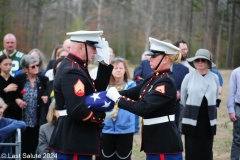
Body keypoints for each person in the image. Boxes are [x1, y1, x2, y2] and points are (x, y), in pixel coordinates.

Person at [106, 37, 183, 160]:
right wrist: (108, 94)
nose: (149, 58)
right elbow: (133, 92)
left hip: (163, 144)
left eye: (153, 56)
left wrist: (117, 99)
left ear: (165, 59)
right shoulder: (153, 77)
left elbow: (143, 107)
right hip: (153, 142)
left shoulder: (165, 82)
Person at [49, 30, 115, 160]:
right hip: (74, 137)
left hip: (76, 137)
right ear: (81, 47)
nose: (95, 52)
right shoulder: (73, 71)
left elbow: (96, 91)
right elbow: (77, 110)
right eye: (93, 47)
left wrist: (104, 64)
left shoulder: (77, 67)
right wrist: (101, 116)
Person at [181, 49, 219, 160]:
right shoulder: (188, 77)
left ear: (208, 62)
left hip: (208, 119)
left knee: (206, 150)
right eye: (198, 60)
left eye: (203, 60)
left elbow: (215, 95)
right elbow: (183, 98)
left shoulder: (215, 78)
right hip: (192, 117)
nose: (200, 62)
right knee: (191, 149)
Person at [101, 57, 136, 160]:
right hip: (107, 128)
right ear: (111, 70)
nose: (118, 70)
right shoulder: (104, 85)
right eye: (115, 68)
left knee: (123, 157)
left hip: (125, 129)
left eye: (121, 68)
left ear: (125, 70)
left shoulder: (132, 86)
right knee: (107, 157)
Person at [15, 55, 49, 159]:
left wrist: (46, 97)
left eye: (37, 65)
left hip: (37, 121)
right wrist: (17, 99)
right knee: (22, 149)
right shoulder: (19, 79)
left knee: (34, 149)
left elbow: (47, 94)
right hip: (22, 120)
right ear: (25, 69)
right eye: (33, 66)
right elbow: (14, 95)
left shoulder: (43, 80)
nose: (36, 68)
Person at [174, 40, 194, 132]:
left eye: (186, 49)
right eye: (183, 49)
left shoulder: (191, 66)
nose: (185, 51)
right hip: (172, 101)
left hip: (184, 101)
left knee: (180, 128)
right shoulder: (171, 64)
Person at [0, 54, 26, 120]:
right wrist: (6, 90)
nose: (8, 67)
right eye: (5, 64)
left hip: (13, 116)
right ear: (0, 65)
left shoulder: (15, 81)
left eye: (10, 64)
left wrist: (7, 105)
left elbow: (17, 98)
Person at [227, 67, 240, 160]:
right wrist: (231, 110)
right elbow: (231, 92)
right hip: (238, 108)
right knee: (237, 139)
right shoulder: (236, 72)